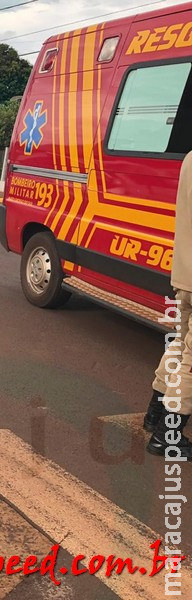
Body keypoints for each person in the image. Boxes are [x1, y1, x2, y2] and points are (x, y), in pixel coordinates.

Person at [144, 150, 192, 458]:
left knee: (180, 344)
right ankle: (167, 436)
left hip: (185, 274)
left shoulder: (190, 157)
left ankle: (154, 414)